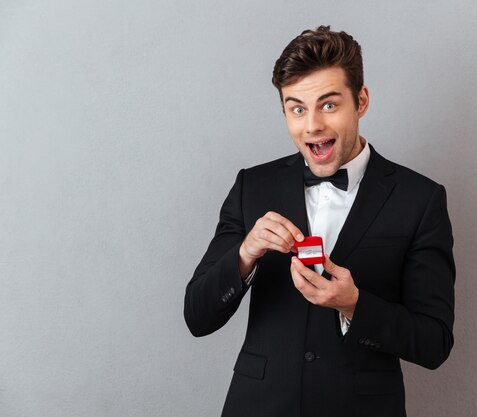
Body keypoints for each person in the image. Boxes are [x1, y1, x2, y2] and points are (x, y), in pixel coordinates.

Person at [184, 25, 455, 417]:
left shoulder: (420, 199)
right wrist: (245, 255)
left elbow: (434, 343)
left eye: (329, 105)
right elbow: (197, 316)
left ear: (360, 101)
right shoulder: (252, 187)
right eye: (297, 108)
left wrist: (355, 305)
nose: (312, 125)